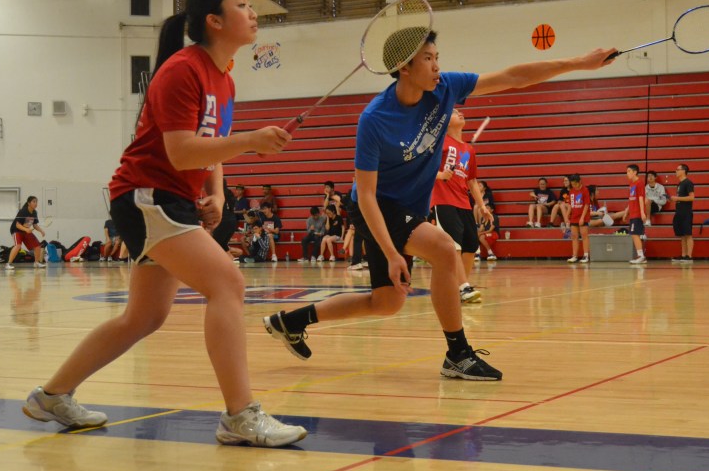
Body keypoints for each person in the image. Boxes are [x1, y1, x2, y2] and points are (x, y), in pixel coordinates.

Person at [21, 0, 305, 447]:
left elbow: (210, 146)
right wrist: (252, 142)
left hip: (172, 200)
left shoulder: (224, 78)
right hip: (146, 197)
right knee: (228, 284)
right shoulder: (182, 70)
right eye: (242, 4)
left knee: (144, 317)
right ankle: (240, 415)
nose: (253, 13)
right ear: (214, 20)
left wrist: (217, 192)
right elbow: (180, 151)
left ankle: (51, 396)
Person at [262, 28, 616, 378]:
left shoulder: (445, 87)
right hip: (376, 205)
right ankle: (458, 355)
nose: (436, 66)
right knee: (445, 249)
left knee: (386, 302)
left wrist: (580, 63)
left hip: (408, 207)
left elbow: (512, 77)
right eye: (427, 59)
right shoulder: (375, 119)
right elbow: (366, 194)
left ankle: (290, 321)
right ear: (404, 67)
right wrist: (391, 252)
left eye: (437, 58)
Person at [430, 108, 491, 304]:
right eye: (455, 112)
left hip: (463, 202)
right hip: (443, 200)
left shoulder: (467, 150)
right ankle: (464, 287)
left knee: (471, 244)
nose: (460, 113)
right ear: (446, 121)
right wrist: (440, 175)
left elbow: (471, 180)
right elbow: (422, 167)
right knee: (453, 245)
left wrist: (482, 206)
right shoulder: (440, 142)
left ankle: (459, 286)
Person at [612, 164, 647, 264]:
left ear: (635, 172)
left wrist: (642, 212)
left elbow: (641, 198)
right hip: (632, 213)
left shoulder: (639, 183)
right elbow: (631, 199)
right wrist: (626, 212)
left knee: (635, 234)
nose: (627, 173)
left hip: (637, 214)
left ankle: (641, 256)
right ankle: (640, 256)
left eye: (629, 171)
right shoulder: (631, 184)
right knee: (634, 234)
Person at [6, 196, 46, 269]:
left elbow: (35, 225)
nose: (36, 203)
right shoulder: (23, 211)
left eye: (36, 202)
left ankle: (36, 263)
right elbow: (17, 225)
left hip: (25, 230)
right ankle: (8, 264)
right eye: (34, 201)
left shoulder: (34, 212)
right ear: (29, 203)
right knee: (18, 245)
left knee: (37, 246)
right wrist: (26, 229)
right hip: (16, 230)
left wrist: (41, 231)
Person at [670, 164, 696, 263]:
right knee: (682, 235)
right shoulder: (680, 184)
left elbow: (692, 197)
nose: (676, 171)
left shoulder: (688, 183)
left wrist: (677, 198)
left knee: (688, 234)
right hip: (679, 212)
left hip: (686, 212)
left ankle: (689, 256)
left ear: (683, 171)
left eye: (678, 169)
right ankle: (683, 255)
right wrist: (674, 199)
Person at [566, 175, 591, 263]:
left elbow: (586, 205)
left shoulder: (585, 190)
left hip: (583, 217)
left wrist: (582, 218)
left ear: (580, 181)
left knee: (584, 236)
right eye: (572, 184)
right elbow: (570, 204)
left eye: (575, 184)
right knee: (574, 236)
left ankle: (586, 256)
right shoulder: (571, 191)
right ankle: (575, 256)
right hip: (574, 217)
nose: (574, 186)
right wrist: (567, 215)